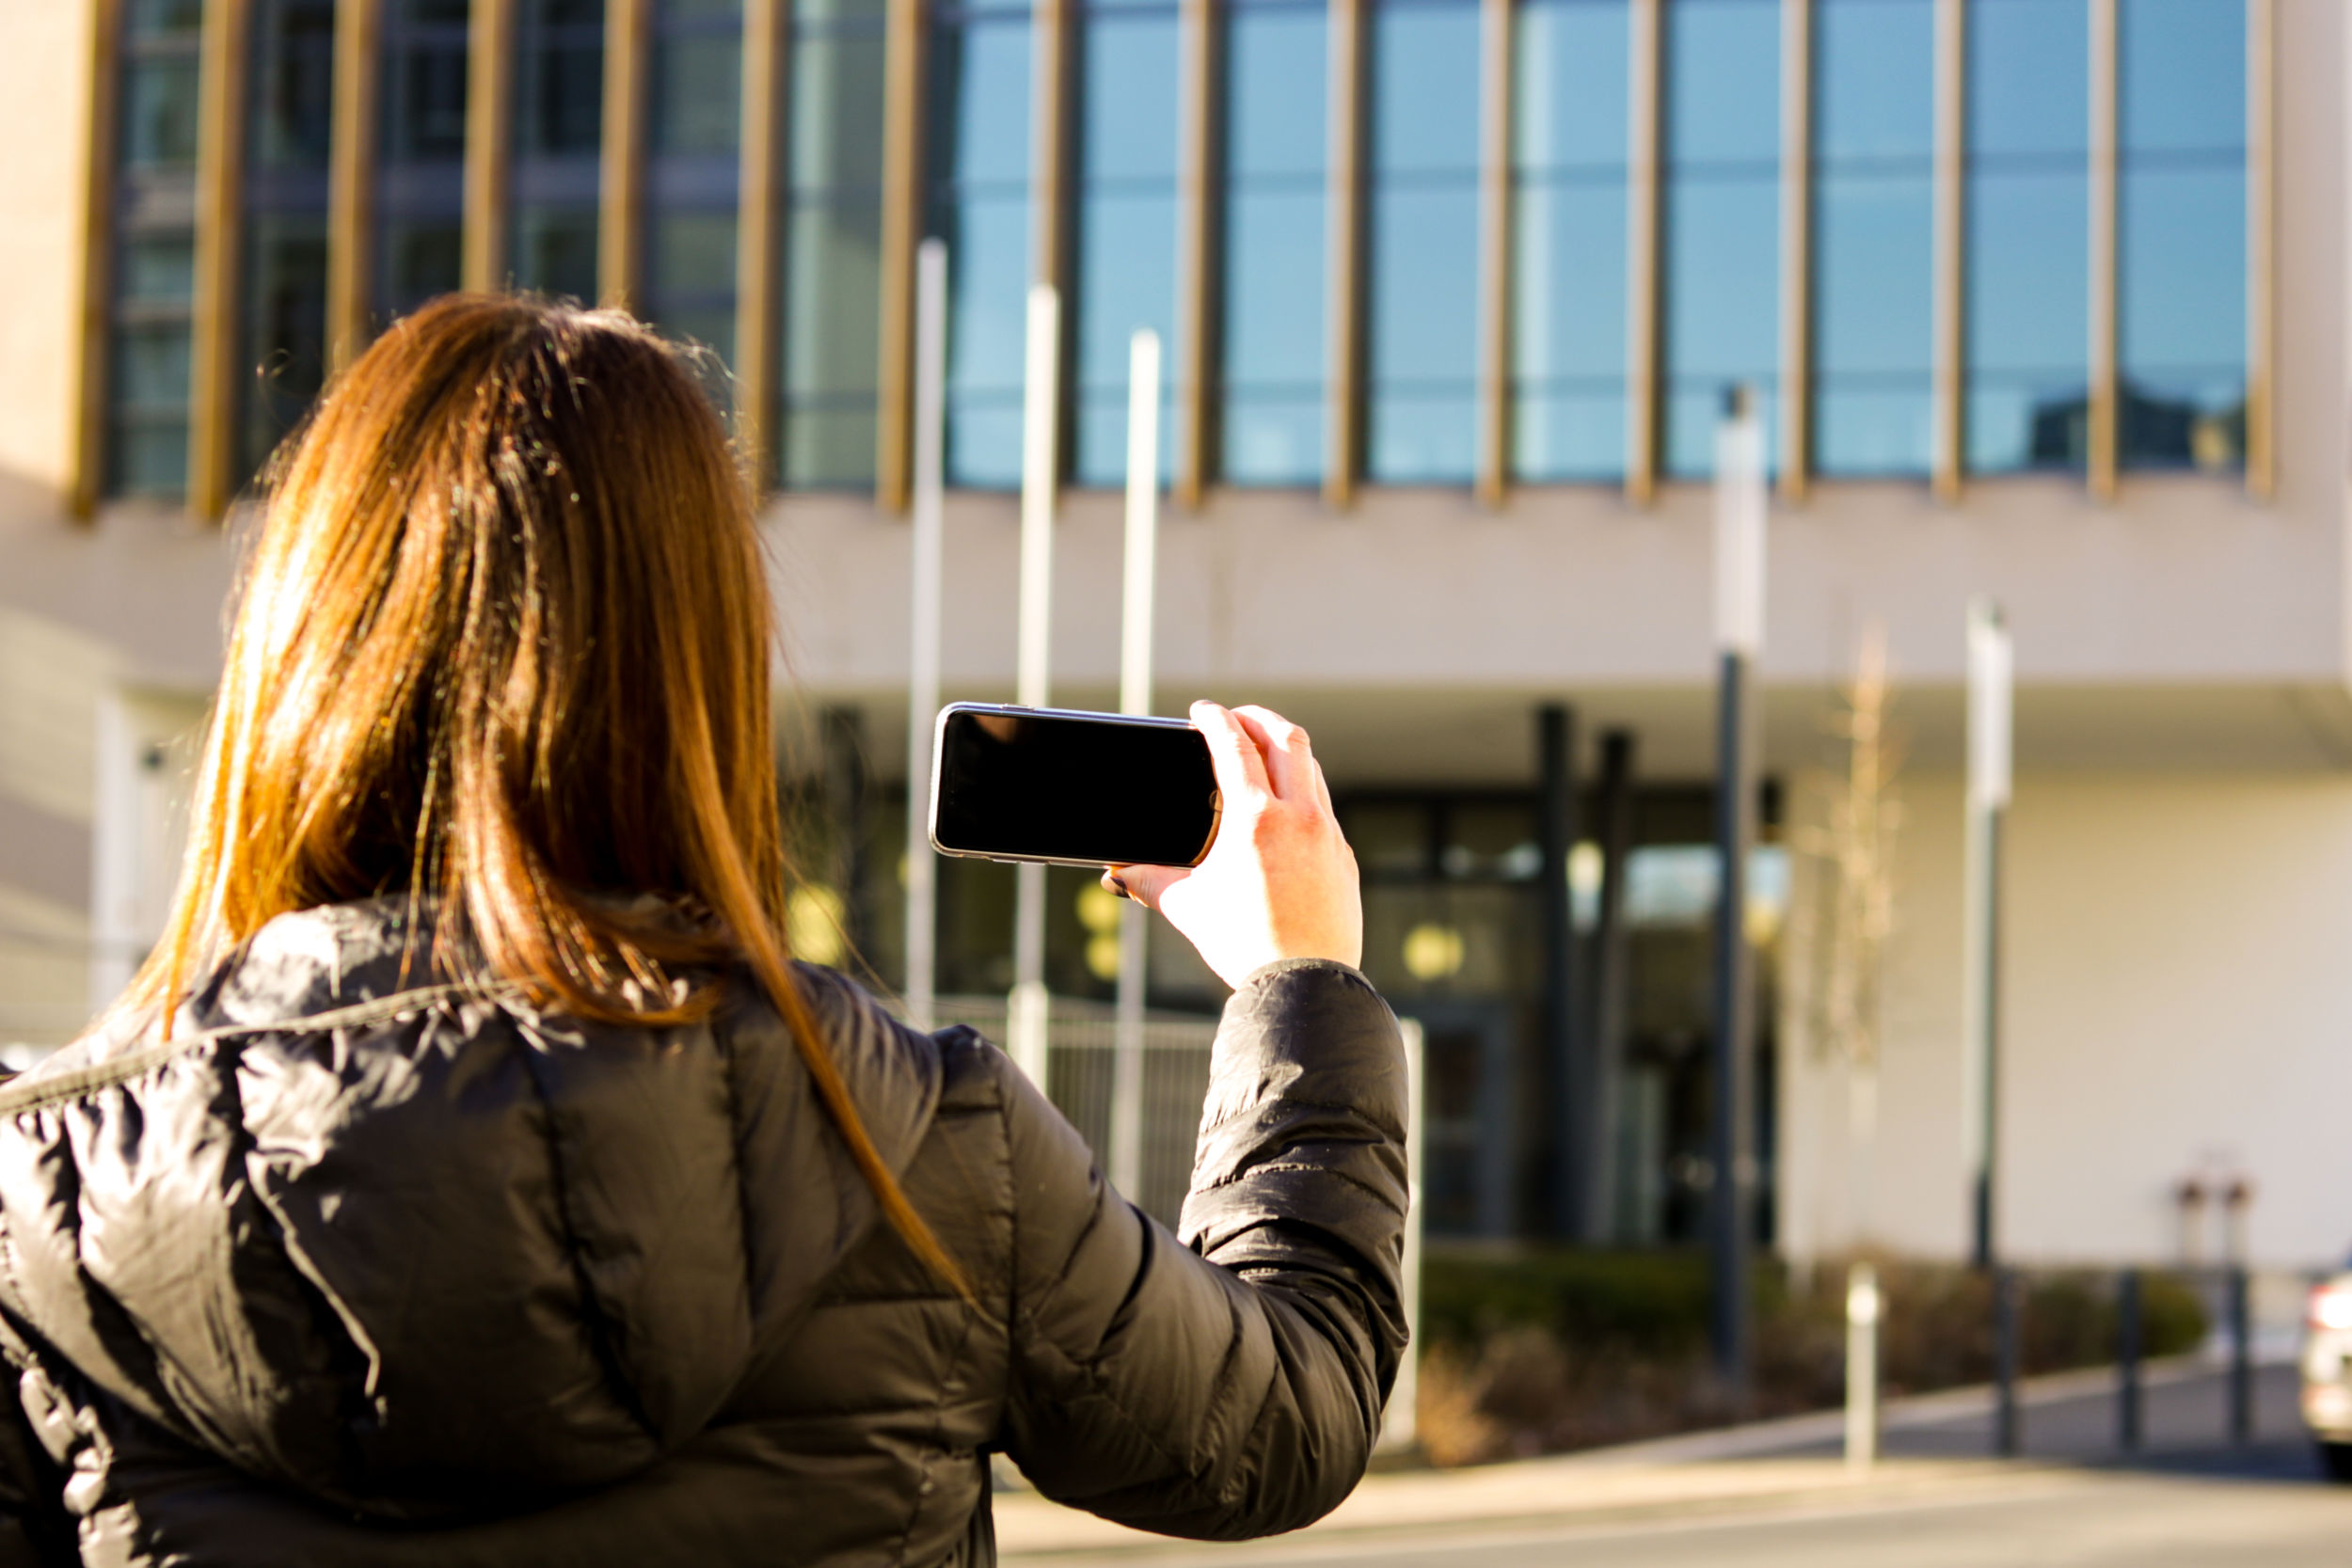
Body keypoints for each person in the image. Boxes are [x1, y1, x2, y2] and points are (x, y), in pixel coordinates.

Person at [0, 296, 1407, 1566]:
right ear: (697, 671)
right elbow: (1284, 1419)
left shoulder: (52, 1195)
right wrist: (1298, 979)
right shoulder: (919, 1144)